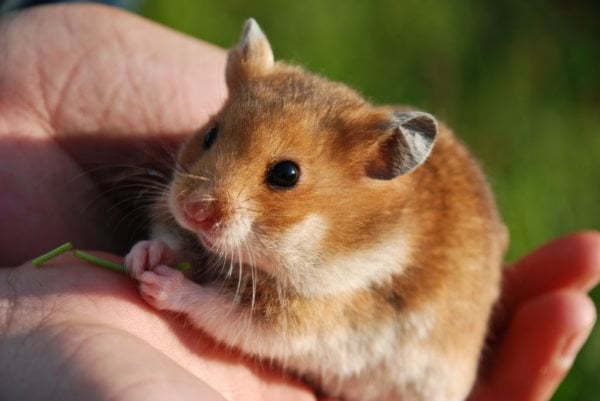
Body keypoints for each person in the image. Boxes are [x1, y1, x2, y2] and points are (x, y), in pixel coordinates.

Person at [0, 4, 598, 400]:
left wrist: (189, 299)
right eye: (212, 139)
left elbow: (293, 328)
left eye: (281, 175)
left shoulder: (353, 252)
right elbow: (183, 226)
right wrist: (161, 249)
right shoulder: (220, 153)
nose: (205, 199)